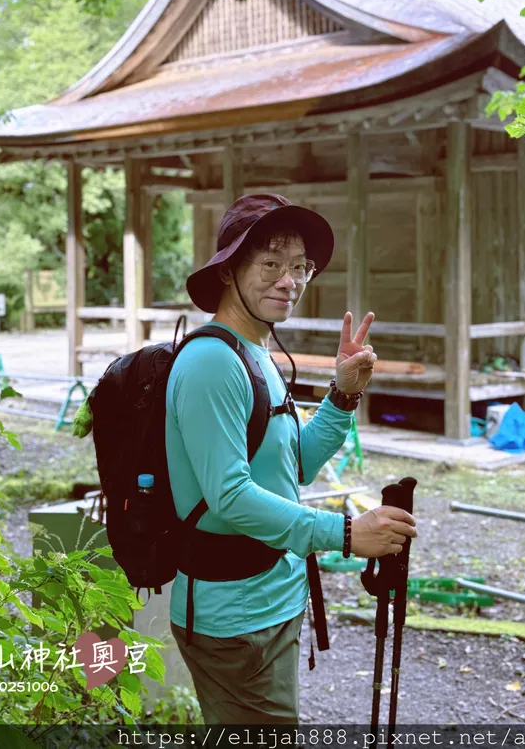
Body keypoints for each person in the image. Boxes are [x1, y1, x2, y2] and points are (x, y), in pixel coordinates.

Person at [165, 193, 418, 725]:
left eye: (300, 266)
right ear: (230, 270)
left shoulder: (255, 351)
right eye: (272, 264)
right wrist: (346, 533)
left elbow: (293, 466)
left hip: (271, 597)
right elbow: (230, 497)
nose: (290, 280)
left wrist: (343, 394)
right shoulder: (213, 360)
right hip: (233, 616)